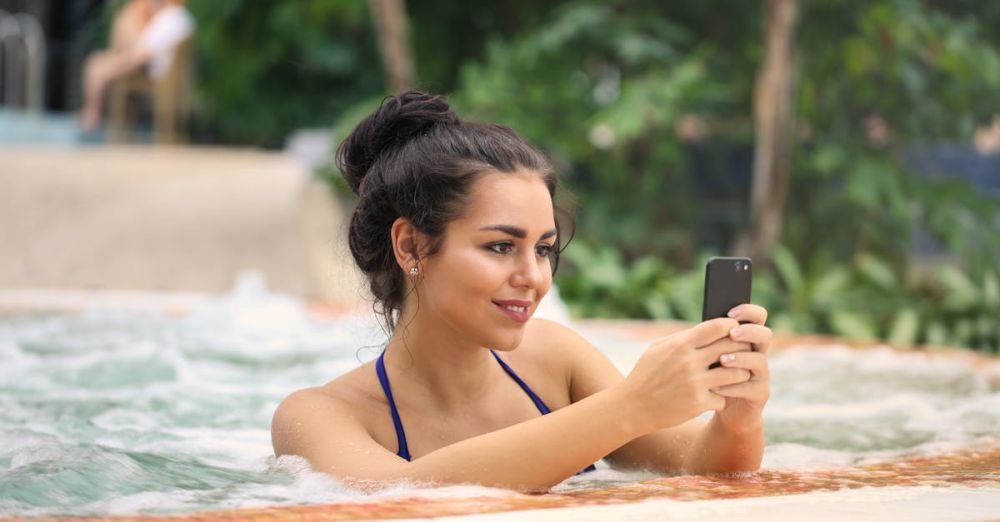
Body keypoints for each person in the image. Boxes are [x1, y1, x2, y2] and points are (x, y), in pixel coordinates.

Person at [271, 92, 773, 492]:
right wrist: (631, 404)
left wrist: (738, 420)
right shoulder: (316, 416)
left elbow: (706, 471)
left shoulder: (558, 360)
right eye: (500, 246)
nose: (533, 277)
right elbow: (399, 496)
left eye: (544, 250)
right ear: (411, 246)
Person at [80, 0, 194, 132]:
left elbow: (142, 56)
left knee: (97, 66)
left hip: (155, 73)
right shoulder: (178, 18)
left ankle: (93, 115)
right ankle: (93, 113)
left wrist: (113, 66)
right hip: (157, 69)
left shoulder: (169, 19)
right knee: (98, 62)